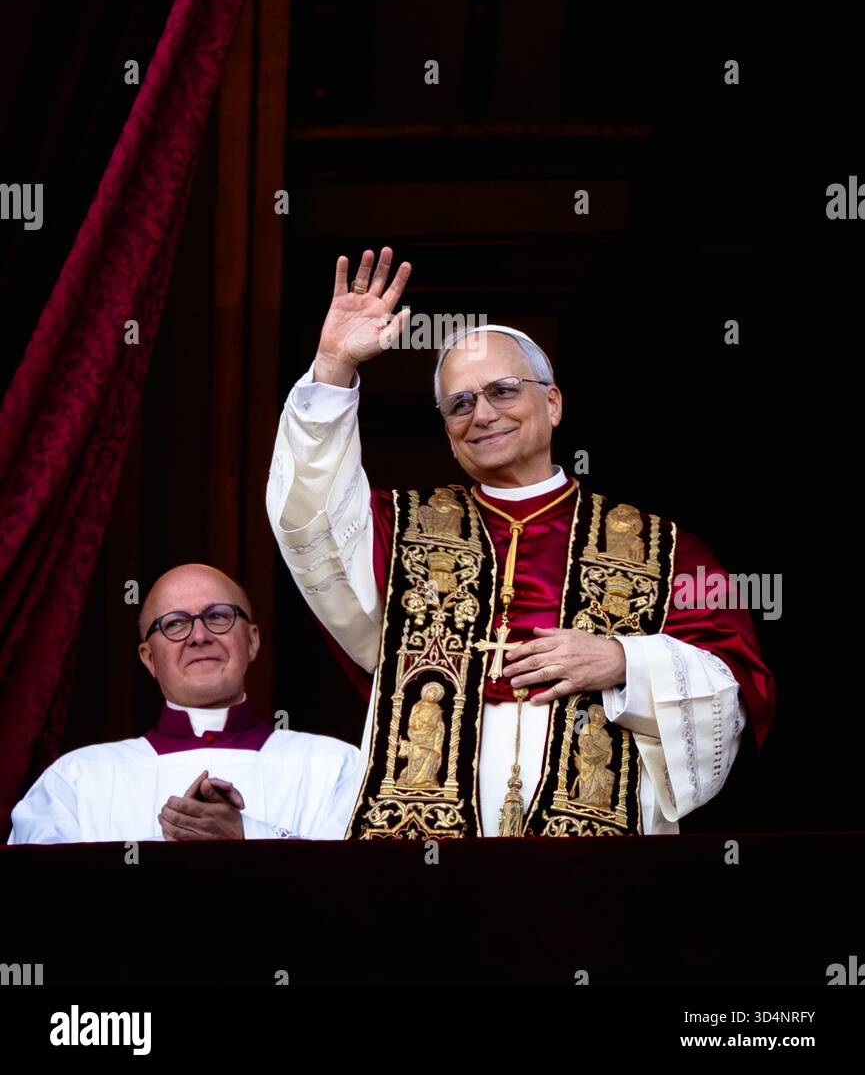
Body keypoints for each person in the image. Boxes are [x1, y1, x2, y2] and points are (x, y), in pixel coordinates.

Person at [266, 246, 776, 839]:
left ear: (553, 402)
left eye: (503, 391)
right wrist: (332, 366)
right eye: (459, 404)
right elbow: (309, 515)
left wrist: (623, 661)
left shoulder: (664, 549)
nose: (482, 414)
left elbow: (737, 691)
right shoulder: (399, 529)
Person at [7, 563, 361, 843]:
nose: (199, 636)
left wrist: (247, 834)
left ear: (252, 641)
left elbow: (364, 886)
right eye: (174, 624)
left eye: (218, 616)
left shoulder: (337, 767)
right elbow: (37, 894)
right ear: (148, 658)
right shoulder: (76, 779)